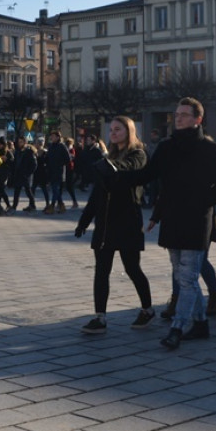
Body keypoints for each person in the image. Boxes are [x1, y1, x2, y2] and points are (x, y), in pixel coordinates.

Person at [118, 97, 216, 350]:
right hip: (172, 218)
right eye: (177, 113)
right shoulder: (167, 147)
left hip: (196, 220)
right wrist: (118, 175)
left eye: (184, 114)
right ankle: (201, 324)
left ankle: (178, 327)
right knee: (182, 275)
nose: (178, 118)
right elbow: (150, 175)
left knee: (188, 277)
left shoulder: (209, 149)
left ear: (197, 119)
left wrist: (202, 202)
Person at [75, 116, 154, 334]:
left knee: (132, 268)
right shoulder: (109, 156)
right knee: (101, 271)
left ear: (129, 131)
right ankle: (100, 317)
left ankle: (147, 309)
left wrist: (110, 166)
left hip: (127, 220)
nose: (114, 133)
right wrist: (84, 219)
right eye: (111, 130)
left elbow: (128, 168)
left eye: (118, 129)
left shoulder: (138, 154)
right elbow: (96, 194)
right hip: (105, 222)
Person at [9, 136, 38, 212]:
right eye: (19, 142)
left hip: (25, 175)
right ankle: (14, 206)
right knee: (16, 191)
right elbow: (15, 162)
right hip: (18, 174)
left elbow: (34, 164)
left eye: (21, 142)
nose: (19, 143)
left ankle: (33, 206)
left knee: (28, 191)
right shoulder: (18, 151)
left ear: (25, 142)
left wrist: (28, 173)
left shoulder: (29, 151)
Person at [44, 131, 70, 214]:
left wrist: (60, 164)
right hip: (51, 171)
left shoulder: (62, 146)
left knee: (55, 189)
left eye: (53, 136)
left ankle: (52, 206)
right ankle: (61, 205)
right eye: (51, 136)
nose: (52, 138)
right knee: (55, 189)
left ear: (58, 137)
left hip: (59, 171)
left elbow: (68, 159)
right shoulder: (51, 146)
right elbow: (47, 158)